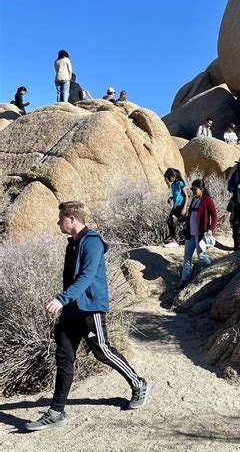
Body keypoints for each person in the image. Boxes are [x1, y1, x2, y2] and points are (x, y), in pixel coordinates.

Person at [25, 201, 150, 432]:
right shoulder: (72, 244)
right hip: (72, 311)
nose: (58, 221)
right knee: (64, 358)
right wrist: (65, 302)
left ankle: (138, 383)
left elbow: (86, 276)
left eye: (61, 217)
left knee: (101, 350)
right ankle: (56, 412)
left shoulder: (91, 242)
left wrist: (61, 299)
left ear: (71, 218)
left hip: (90, 307)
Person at [176, 179, 218, 291]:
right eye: (192, 189)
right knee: (187, 258)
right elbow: (191, 216)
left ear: (202, 189)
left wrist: (210, 230)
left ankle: (212, 274)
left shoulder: (207, 200)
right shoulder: (194, 200)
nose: (193, 191)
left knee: (201, 256)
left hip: (200, 234)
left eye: (195, 189)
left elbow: (215, 217)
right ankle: (184, 281)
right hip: (191, 233)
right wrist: (181, 219)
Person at [164, 168, 189, 247]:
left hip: (181, 205)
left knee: (177, 222)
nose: (168, 179)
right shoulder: (173, 185)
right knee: (171, 221)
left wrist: (184, 208)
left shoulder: (180, 183)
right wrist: (171, 198)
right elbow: (177, 195)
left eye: (169, 177)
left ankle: (178, 240)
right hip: (175, 206)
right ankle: (175, 239)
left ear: (174, 176)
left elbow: (186, 196)